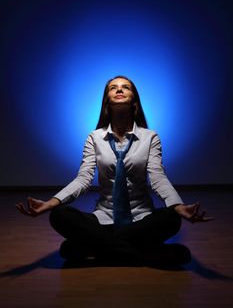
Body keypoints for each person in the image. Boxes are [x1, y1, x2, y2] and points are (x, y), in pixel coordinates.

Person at [16, 76, 214, 267]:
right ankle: (148, 255)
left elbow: (158, 178)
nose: (119, 89)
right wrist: (50, 203)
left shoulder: (150, 137)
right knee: (59, 215)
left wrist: (178, 207)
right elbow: (83, 179)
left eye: (126, 87)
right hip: (103, 219)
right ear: (106, 103)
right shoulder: (94, 138)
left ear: (134, 102)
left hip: (141, 220)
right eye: (113, 87)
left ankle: (91, 249)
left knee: (171, 219)